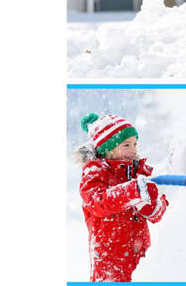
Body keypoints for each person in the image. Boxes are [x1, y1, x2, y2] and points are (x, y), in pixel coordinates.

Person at [72, 113, 168, 282]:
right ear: (108, 148)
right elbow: (97, 203)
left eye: (135, 144)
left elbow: (158, 213)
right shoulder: (94, 173)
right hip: (109, 260)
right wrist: (132, 191)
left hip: (140, 255)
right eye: (126, 145)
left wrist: (151, 206)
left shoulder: (138, 172)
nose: (133, 150)